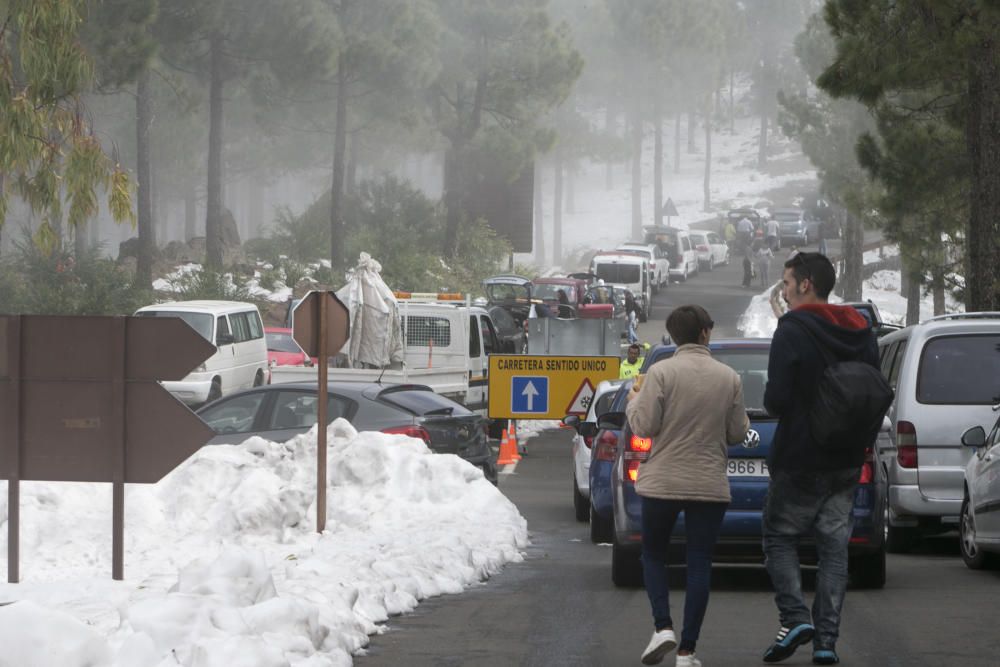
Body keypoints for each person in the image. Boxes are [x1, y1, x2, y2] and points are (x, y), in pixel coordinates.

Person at [760, 252, 879, 666]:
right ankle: (826, 641)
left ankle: (794, 616)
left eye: (788, 283)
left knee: (780, 536)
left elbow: (776, 400)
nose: (786, 291)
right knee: (833, 549)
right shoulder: (861, 331)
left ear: (805, 284)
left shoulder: (792, 330)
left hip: (800, 456)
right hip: (847, 458)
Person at [626, 305, 750, 667]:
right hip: (708, 484)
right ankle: (687, 651)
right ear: (705, 333)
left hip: (662, 482)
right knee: (699, 562)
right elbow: (738, 433)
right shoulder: (729, 378)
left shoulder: (660, 373)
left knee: (653, 554)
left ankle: (663, 626)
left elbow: (644, 426)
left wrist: (635, 402)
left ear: (675, 335)